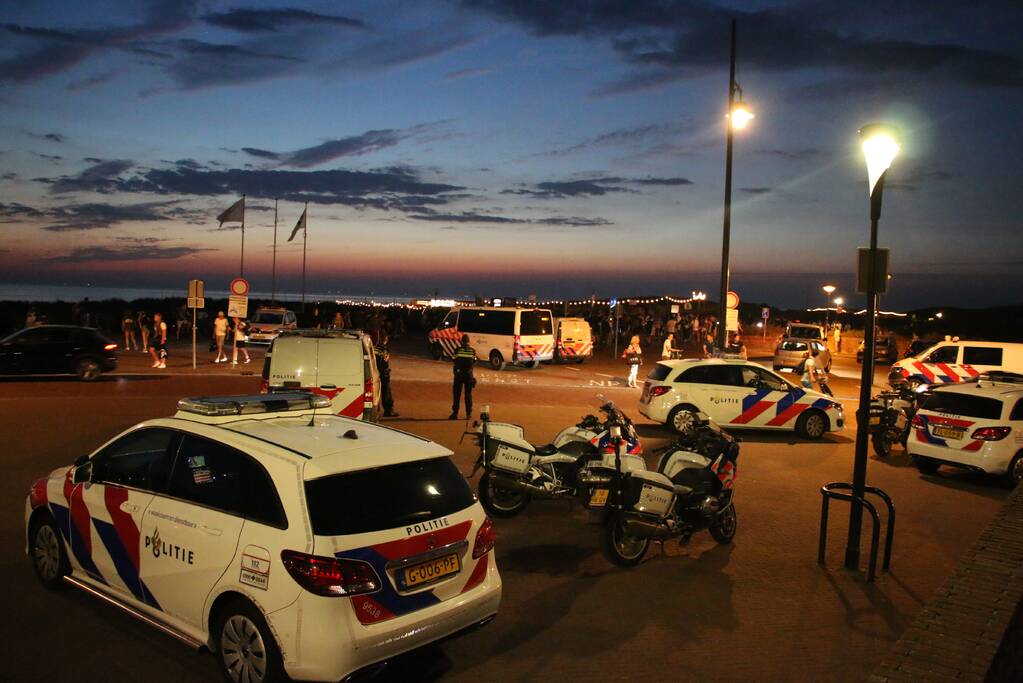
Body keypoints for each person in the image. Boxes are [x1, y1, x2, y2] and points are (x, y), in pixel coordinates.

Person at [449, 334, 477, 419]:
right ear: (468, 342)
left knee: (457, 394)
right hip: (468, 375)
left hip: (459, 375)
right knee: (468, 395)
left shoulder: (458, 350)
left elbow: (453, 359)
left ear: (461, 341)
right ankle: (468, 414)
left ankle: (455, 413)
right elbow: (474, 360)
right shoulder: (472, 351)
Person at [375, 333, 399, 417]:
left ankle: (377, 410)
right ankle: (388, 410)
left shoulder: (374, 347)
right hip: (382, 372)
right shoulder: (382, 349)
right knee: (386, 391)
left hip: (375, 371)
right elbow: (384, 361)